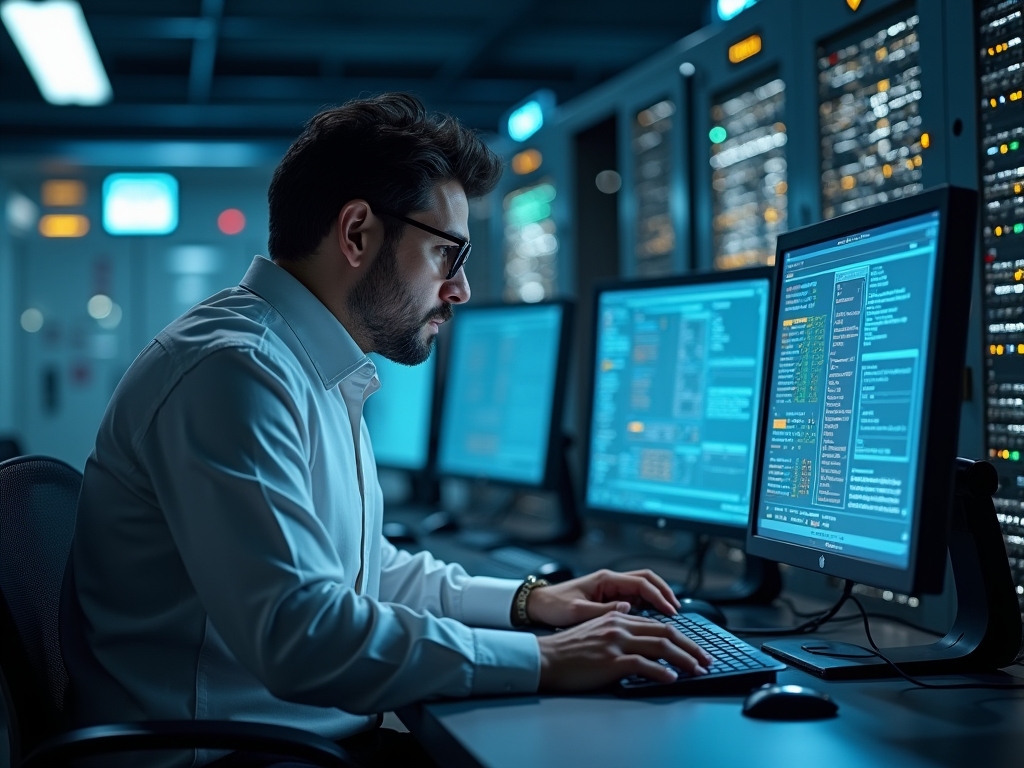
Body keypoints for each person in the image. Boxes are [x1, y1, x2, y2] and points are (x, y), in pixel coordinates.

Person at [62, 93, 711, 768]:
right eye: (445, 254)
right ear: (357, 233)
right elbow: (303, 635)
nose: (458, 288)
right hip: (225, 757)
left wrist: (531, 603)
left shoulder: (302, 362)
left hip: (286, 742)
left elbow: (367, 572)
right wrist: (543, 659)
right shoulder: (236, 371)